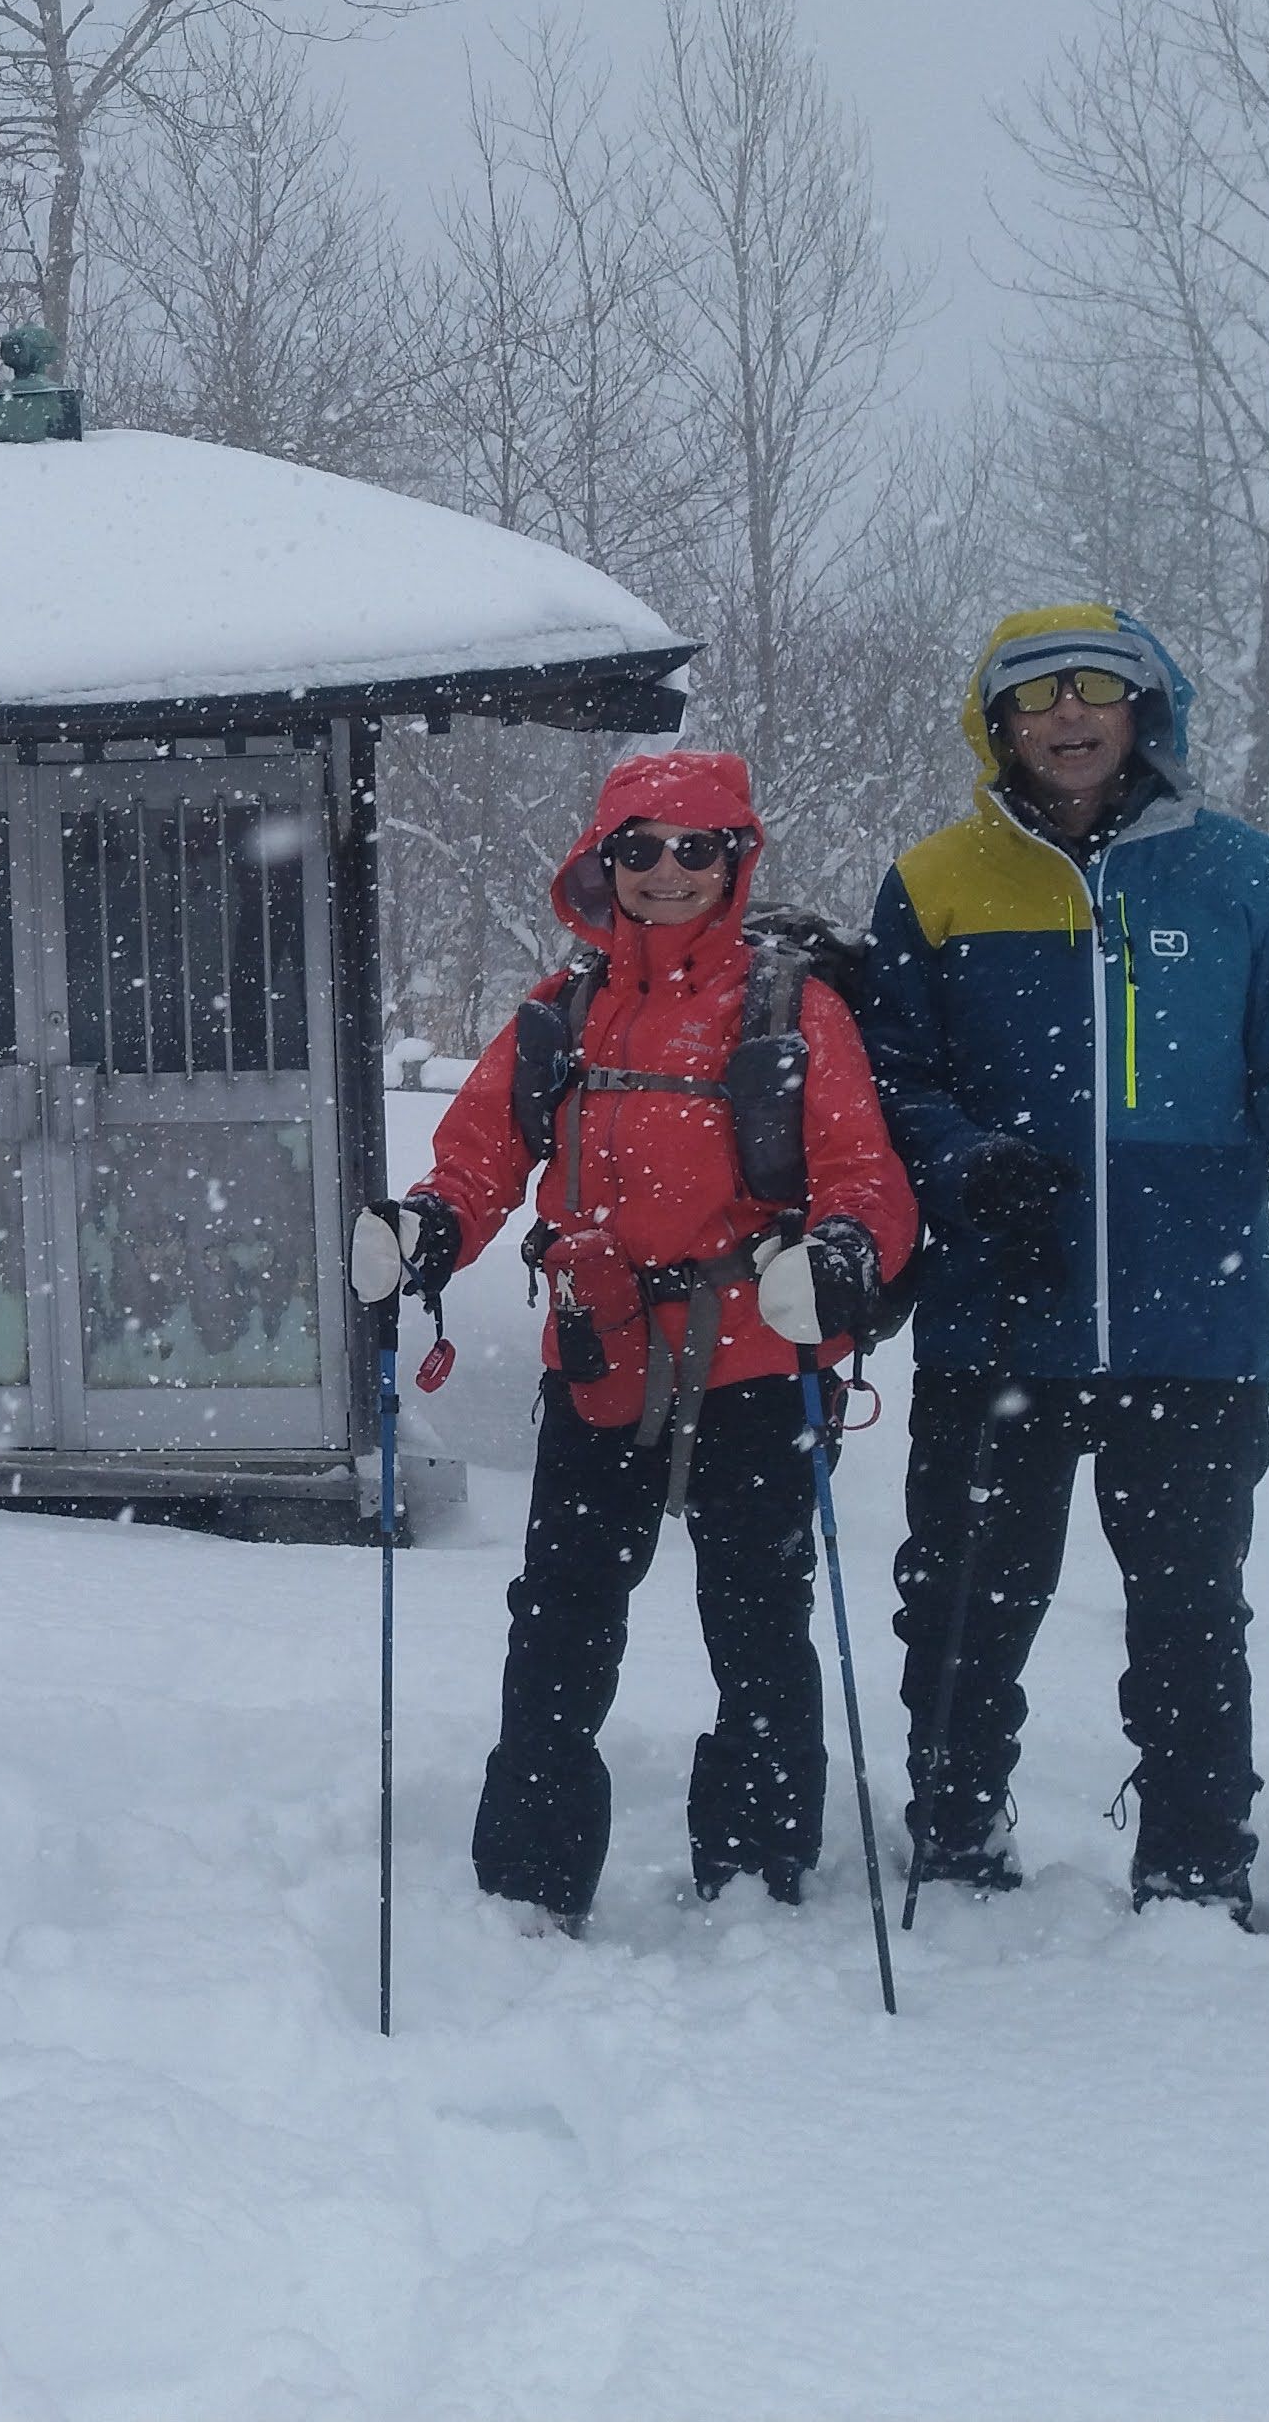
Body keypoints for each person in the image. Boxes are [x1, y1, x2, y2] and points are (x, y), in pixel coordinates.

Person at [855, 607, 1269, 1924]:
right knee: (962, 1607)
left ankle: (1196, 1858)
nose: (1066, 714)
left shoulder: (1243, 878)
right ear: (995, 725)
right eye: (1034, 694)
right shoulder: (937, 881)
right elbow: (890, 1077)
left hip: (1194, 1312)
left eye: (1095, 689)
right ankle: (954, 1833)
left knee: (1187, 1616)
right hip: (1001, 1306)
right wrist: (964, 1158)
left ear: (1145, 709)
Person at [378, 751, 918, 1935]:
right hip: (597, 1350)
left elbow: (864, 1180)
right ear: (599, 864)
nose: (665, 874)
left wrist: (835, 1259)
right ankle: (526, 1883)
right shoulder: (557, 1011)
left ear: (735, 862)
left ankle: (757, 1877)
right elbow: (478, 1158)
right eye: (637, 850)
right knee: (561, 1615)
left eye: (693, 851)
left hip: (758, 1364)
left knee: (756, 1622)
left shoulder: (790, 1010)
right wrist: (430, 1227)